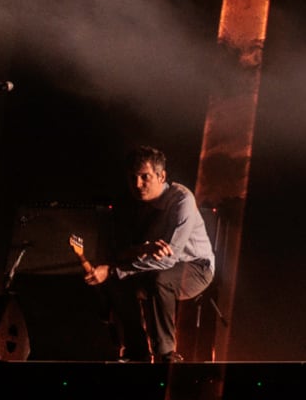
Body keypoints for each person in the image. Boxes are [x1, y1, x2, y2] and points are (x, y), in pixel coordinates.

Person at [83, 146, 214, 363]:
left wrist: (114, 270)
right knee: (118, 283)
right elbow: (123, 252)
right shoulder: (130, 204)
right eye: (132, 178)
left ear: (161, 176)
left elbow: (169, 260)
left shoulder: (181, 201)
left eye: (145, 177)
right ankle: (137, 352)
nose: (137, 185)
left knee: (158, 278)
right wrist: (142, 250)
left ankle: (166, 353)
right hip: (153, 265)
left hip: (195, 268)